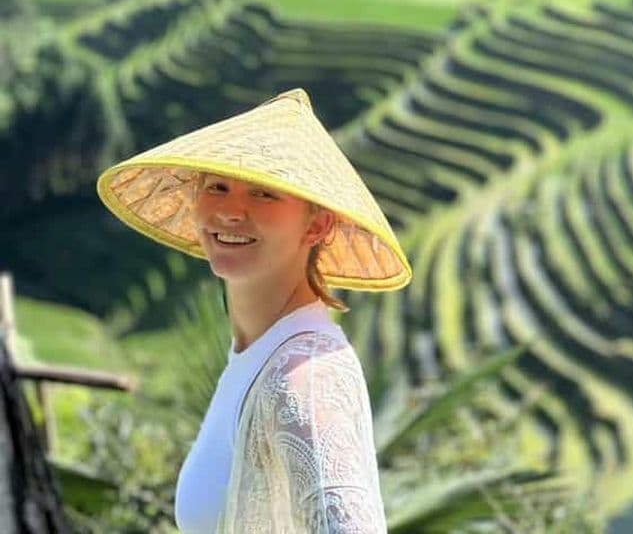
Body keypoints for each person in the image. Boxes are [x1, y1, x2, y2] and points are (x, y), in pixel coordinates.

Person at [96, 88, 413, 533]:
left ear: (318, 224)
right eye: (218, 187)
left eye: (264, 194)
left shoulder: (305, 377)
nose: (231, 211)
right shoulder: (255, 355)